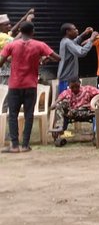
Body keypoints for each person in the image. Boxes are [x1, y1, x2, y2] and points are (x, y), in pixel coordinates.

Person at [0, 21, 58, 152]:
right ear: (33, 32)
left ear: (20, 31)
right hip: (31, 85)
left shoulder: (11, 45)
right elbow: (57, 58)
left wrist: (11, 59)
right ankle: (25, 145)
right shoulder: (39, 45)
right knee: (29, 114)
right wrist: (43, 59)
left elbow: (0, 62)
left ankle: (14, 145)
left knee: (12, 114)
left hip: (14, 85)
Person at [51, 78, 99, 146]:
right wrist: (57, 104)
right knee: (61, 105)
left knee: (97, 113)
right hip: (73, 112)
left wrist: (94, 102)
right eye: (72, 87)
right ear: (69, 86)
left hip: (86, 111)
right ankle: (59, 129)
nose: (75, 89)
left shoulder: (88, 89)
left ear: (80, 84)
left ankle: (97, 133)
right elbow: (55, 104)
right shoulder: (66, 92)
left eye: (77, 87)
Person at [57, 22, 97, 93]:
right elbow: (81, 52)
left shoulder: (66, 41)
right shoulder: (67, 42)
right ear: (68, 32)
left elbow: (75, 41)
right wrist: (91, 40)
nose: (77, 31)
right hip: (67, 79)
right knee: (67, 99)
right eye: (74, 29)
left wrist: (84, 33)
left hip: (66, 78)